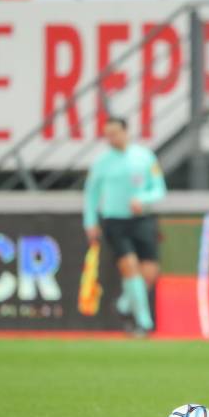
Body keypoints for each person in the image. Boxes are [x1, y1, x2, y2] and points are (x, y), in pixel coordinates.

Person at [83, 116, 166, 336]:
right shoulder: (101, 162)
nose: (111, 139)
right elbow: (91, 195)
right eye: (107, 135)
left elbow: (159, 189)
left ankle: (124, 306)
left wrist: (144, 200)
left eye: (115, 133)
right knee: (130, 269)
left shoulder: (144, 157)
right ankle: (144, 323)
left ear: (126, 131)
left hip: (141, 220)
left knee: (149, 273)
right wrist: (90, 222)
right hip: (114, 221)